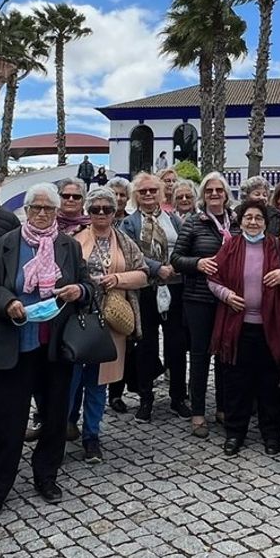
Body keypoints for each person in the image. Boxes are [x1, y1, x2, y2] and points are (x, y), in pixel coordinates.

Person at [0, 182, 95, 517]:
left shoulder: (68, 246)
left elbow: (88, 287)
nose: (42, 214)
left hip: (55, 347)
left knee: (55, 417)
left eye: (48, 208)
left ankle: (46, 476)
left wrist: (79, 291)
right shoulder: (5, 245)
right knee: (7, 422)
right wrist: (9, 302)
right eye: (35, 207)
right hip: (15, 345)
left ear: (57, 211)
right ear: (26, 210)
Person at [207, 199, 280, 456]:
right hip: (237, 327)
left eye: (258, 218)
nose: (253, 222)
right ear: (240, 221)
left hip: (272, 328)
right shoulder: (230, 246)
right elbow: (213, 278)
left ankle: (271, 434)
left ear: (265, 222)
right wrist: (227, 295)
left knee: (270, 382)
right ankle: (235, 432)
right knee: (236, 382)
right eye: (248, 217)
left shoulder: (277, 245)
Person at [67, 187, 149, 462]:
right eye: (95, 209)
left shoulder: (125, 242)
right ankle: (66, 424)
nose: (101, 214)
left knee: (98, 381)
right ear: (87, 212)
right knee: (71, 378)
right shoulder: (73, 241)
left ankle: (92, 435)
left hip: (111, 319)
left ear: (115, 212)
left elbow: (143, 274)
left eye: (107, 209)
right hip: (79, 318)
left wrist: (118, 280)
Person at [170, 172, 232, 435]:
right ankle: (197, 412)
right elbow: (176, 258)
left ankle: (222, 407)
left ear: (226, 194)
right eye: (210, 191)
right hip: (198, 298)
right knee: (200, 355)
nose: (215, 195)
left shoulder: (236, 222)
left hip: (228, 298)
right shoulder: (194, 223)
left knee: (225, 356)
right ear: (203, 196)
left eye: (219, 190)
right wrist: (197, 263)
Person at [116, 172, 177, 420]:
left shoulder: (173, 219)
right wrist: (156, 268)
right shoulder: (129, 223)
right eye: (143, 191)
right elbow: (130, 251)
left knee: (175, 343)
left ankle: (178, 396)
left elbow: (182, 244)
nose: (149, 195)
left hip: (174, 286)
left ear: (160, 193)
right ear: (136, 196)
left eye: (153, 190)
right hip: (144, 288)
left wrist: (173, 267)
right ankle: (145, 398)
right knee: (146, 344)